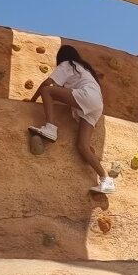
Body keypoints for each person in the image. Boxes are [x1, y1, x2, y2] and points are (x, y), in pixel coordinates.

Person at [28, 44, 115, 194]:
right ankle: (105, 180)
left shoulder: (67, 64)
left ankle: (50, 127)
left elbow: (47, 84)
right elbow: (63, 93)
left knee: (46, 91)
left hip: (87, 98)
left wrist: (33, 99)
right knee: (83, 146)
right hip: (96, 106)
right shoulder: (84, 69)